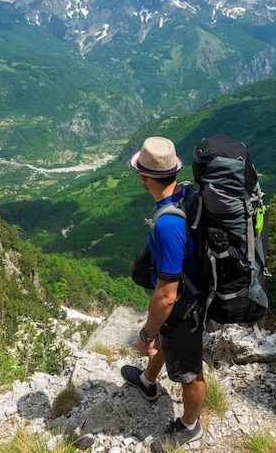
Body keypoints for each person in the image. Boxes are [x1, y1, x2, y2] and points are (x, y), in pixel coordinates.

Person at [121, 136, 206, 447]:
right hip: (186, 298)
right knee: (164, 336)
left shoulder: (168, 224)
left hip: (184, 306)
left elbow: (166, 296)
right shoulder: (185, 193)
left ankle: (189, 425)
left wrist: (145, 335)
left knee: (190, 373)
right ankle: (147, 382)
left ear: (144, 178)